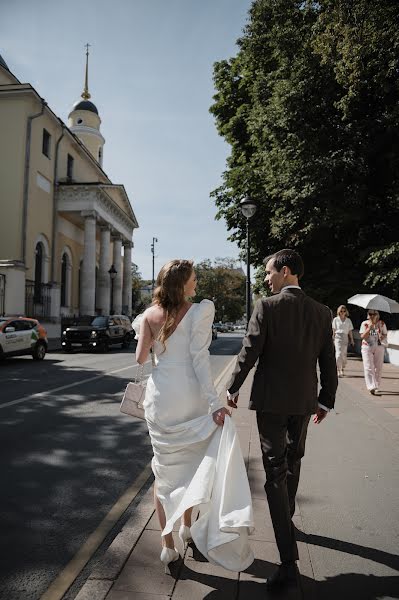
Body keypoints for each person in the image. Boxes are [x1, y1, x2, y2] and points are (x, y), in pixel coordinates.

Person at [226, 249, 338, 592]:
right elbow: (328, 361)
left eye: (267, 272)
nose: (265, 278)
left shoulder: (267, 306)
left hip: (272, 403)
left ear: (285, 271)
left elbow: (250, 350)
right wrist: (325, 400)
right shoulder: (322, 312)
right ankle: (286, 519)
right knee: (294, 459)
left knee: (274, 473)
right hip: (305, 401)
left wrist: (232, 388)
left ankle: (288, 562)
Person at [134, 259, 254, 574]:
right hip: (190, 397)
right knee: (192, 466)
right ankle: (188, 528)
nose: (196, 283)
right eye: (193, 279)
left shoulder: (149, 315)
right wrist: (215, 404)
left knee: (164, 472)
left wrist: (153, 337)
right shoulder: (199, 312)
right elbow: (201, 361)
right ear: (182, 283)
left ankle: (167, 545)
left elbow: (141, 358)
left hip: (161, 400)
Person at [359, 310, 388, 396]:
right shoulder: (365, 323)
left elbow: (385, 334)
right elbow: (362, 336)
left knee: (378, 367)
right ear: (368, 315)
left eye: (374, 314)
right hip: (367, 347)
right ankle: (372, 386)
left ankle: (377, 385)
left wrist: (381, 336)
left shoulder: (382, 324)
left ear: (377, 315)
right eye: (370, 314)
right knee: (368, 367)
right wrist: (369, 328)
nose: (372, 315)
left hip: (379, 347)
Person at [332, 305, 354, 377]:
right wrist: (332, 338)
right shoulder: (335, 319)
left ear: (346, 312)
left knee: (344, 355)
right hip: (337, 337)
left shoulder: (348, 320)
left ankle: (342, 367)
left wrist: (352, 340)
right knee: (338, 354)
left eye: (344, 311)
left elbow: (350, 331)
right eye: (341, 311)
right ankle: (339, 370)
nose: (342, 312)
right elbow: (334, 330)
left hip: (345, 337)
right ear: (339, 311)